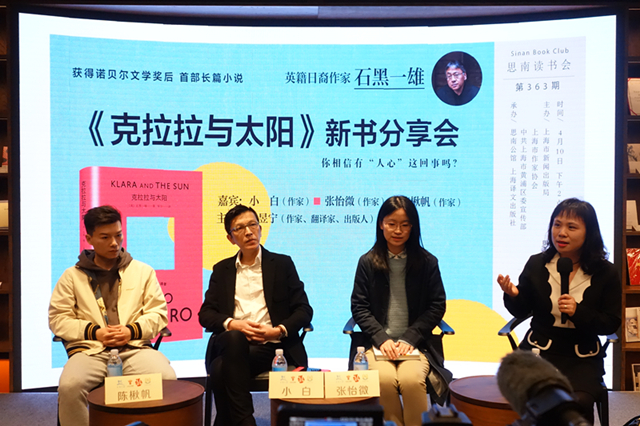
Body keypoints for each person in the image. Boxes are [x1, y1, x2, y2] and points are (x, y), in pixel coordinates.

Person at [49, 205, 176, 426]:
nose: (114, 243)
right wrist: (95, 333)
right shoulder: (71, 276)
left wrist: (131, 331)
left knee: (167, 379)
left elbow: (158, 314)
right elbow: (58, 319)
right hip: (90, 351)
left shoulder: (142, 271)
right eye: (105, 237)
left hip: (134, 349)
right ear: (89, 238)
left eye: (118, 235)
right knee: (70, 386)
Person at [497, 198, 621, 424]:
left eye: (571, 227)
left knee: (576, 403)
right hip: (539, 351)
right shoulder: (537, 264)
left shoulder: (607, 273)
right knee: (529, 397)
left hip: (581, 357)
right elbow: (522, 309)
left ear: (589, 233)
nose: (561, 233)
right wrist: (513, 294)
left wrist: (578, 311)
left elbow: (610, 323)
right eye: (557, 225)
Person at [198, 204, 313, 426]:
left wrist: (277, 330)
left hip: (270, 347)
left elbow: (304, 310)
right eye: (240, 228)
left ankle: (230, 421)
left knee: (220, 369)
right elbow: (206, 314)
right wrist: (233, 324)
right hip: (231, 342)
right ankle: (245, 421)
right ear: (231, 238)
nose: (249, 232)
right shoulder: (222, 270)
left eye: (252, 225)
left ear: (260, 229)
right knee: (234, 338)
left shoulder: (282, 264)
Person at [350, 196, 449, 426]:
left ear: (413, 227)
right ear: (381, 224)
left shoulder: (428, 262)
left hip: (416, 346)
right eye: (392, 223)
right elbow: (359, 307)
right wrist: (381, 338)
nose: (398, 230)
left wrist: (410, 338)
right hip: (377, 345)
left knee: (411, 380)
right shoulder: (367, 262)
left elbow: (437, 305)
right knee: (383, 380)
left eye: (405, 225)